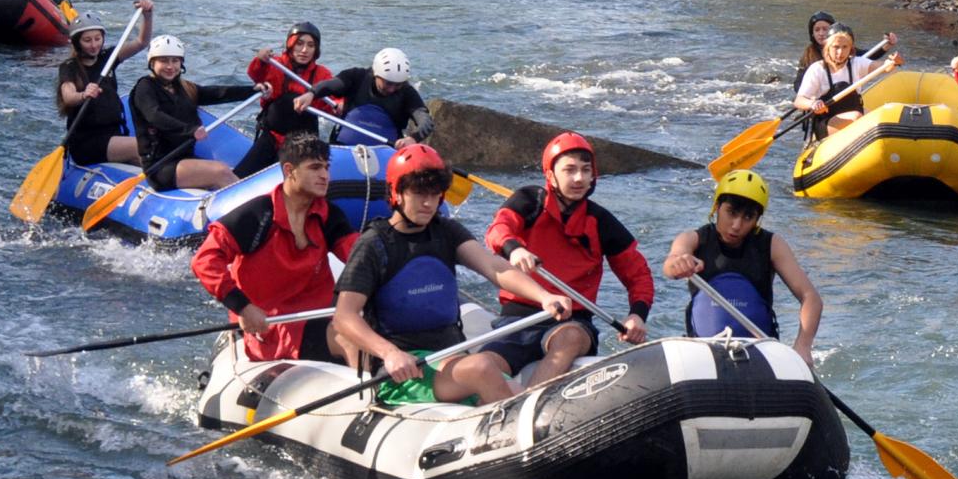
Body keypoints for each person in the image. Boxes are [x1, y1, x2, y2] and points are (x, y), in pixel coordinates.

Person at [333, 144, 571, 406]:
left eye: (435, 195)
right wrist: (389, 353)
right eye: (419, 193)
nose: (428, 203)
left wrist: (544, 296)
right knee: (481, 367)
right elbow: (345, 316)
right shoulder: (373, 244)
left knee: (508, 386)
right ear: (396, 193)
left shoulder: (446, 231)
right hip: (404, 370)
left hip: (452, 355)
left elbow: (494, 267)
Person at [484, 132, 653, 388]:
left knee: (571, 338)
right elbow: (498, 229)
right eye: (570, 170)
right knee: (484, 365)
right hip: (518, 319)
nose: (579, 178)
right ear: (551, 175)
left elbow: (638, 274)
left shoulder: (601, 221)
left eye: (586, 170)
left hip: (572, 320)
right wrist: (515, 249)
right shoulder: (529, 201)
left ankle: (528, 401)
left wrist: (637, 316)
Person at [190, 134, 357, 362]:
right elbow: (204, 260)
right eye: (315, 168)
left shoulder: (329, 215)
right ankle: (372, 397)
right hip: (269, 326)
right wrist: (243, 307)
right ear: (289, 170)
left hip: (318, 317)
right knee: (351, 338)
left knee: (369, 330)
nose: (325, 175)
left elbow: (360, 258)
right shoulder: (258, 215)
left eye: (327, 167)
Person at [663, 170, 823, 364]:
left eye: (748, 217)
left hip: (759, 351)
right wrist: (679, 263)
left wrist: (803, 346)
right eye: (731, 212)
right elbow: (671, 264)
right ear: (717, 207)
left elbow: (811, 297)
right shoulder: (693, 239)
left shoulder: (772, 245)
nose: (737, 225)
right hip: (704, 351)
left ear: (757, 220)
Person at [128, 36, 261, 192]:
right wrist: (190, 130)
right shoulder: (145, 87)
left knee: (224, 174)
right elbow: (154, 115)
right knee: (221, 171)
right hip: (160, 166)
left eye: (175, 61)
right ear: (152, 63)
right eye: (164, 61)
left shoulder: (183, 87)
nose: (170, 66)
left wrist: (252, 90)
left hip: (185, 159)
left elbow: (217, 93)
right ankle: (252, 212)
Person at [55, 0, 153, 169]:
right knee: (144, 146)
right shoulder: (70, 67)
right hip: (88, 142)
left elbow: (141, 42)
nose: (94, 45)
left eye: (97, 38)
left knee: (152, 158)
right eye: (87, 40)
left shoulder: (108, 58)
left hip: (115, 135)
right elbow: (68, 96)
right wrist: (83, 94)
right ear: (77, 42)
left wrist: (147, 15)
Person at [236, 21, 338, 179]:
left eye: (310, 45)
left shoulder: (322, 74)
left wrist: (341, 106)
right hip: (272, 136)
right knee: (239, 177)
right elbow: (256, 74)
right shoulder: (276, 64)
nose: (304, 50)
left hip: (303, 143)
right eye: (299, 44)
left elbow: (333, 101)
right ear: (290, 45)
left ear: (316, 49)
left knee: (282, 180)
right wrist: (261, 60)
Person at [296, 48, 431, 147]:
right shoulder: (357, 77)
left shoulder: (407, 92)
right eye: (388, 83)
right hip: (344, 147)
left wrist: (413, 138)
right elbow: (331, 85)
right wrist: (311, 94)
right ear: (375, 73)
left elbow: (425, 121)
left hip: (385, 152)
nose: (392, 89)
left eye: (398, 85)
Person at [797, 25, 900, 137]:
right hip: (828, 121)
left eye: (845, 47)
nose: (840, 52)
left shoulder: (857, 63)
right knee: (856, 117)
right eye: (836, 47)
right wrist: (813, 103)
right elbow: (799, 101)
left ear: (851, 48)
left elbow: (882, 67)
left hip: (854, 114)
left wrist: (892, 62)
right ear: (827, 47)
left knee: (880, 121)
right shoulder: (817, 69)